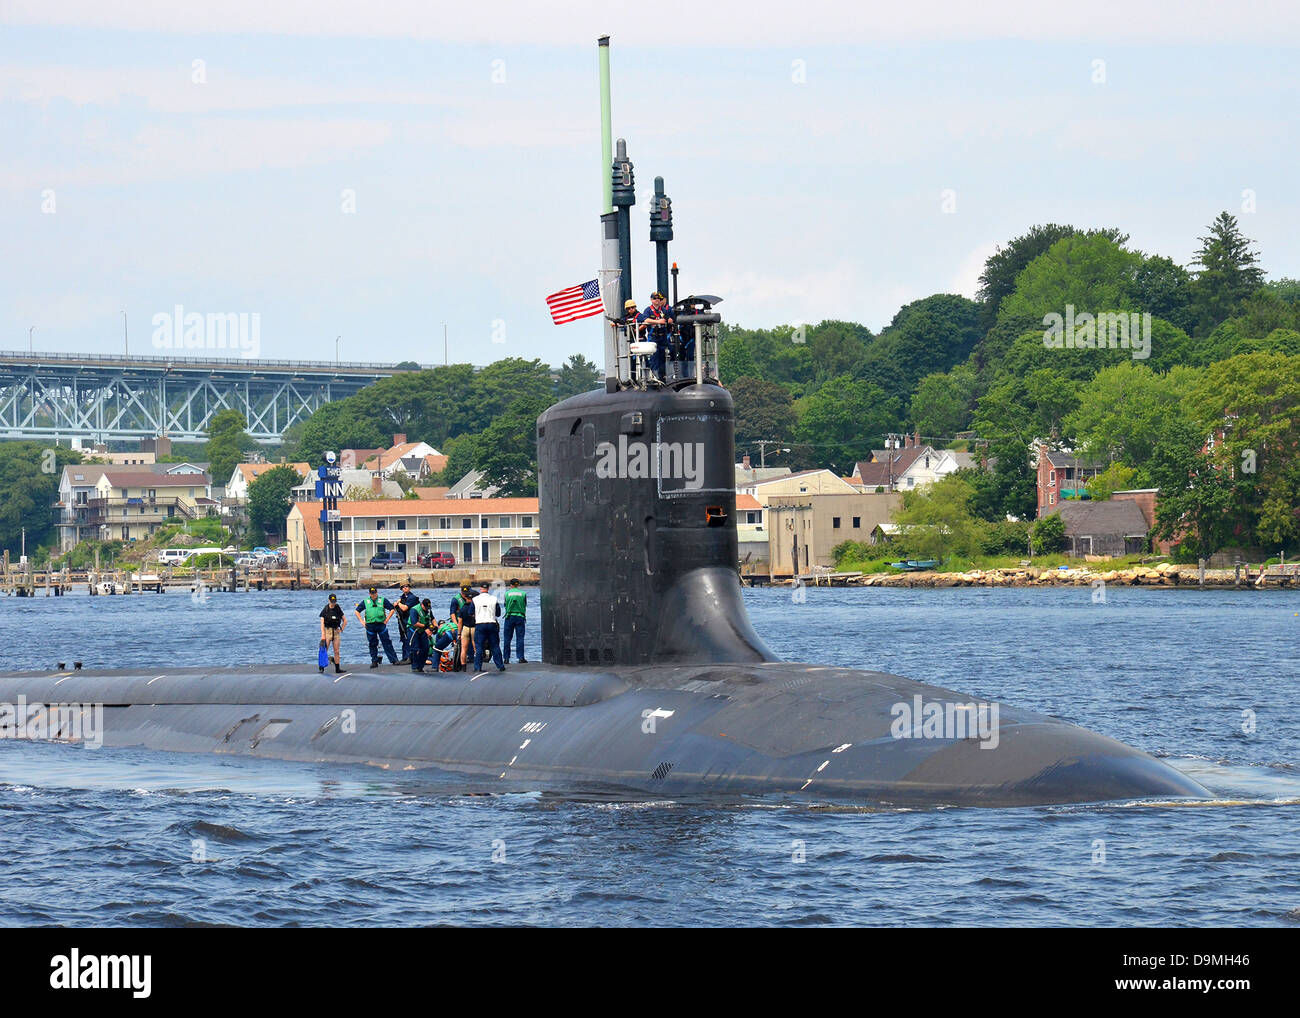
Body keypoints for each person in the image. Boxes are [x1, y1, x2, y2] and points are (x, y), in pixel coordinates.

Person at [354, 587, 399, 668]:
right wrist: (361, 621)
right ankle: (374, 661)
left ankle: (394, 660)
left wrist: (387, 620)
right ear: (369, 594)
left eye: (374, 593)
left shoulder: (382, 600)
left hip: (381, 624)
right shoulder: (365, 601)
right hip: (370, 625)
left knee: (387, 642)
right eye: (371, 593)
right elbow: (357, 611)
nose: (373, 595)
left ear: (377, 593)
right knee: (372, 644)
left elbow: (392, 609)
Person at [637, 291, 674, 379]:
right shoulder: (648, 310)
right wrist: (657, 321)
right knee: (654, 356)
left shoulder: (663, 310)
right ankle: (654, 375)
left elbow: (667, 318)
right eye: (655, 298)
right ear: (651, 300)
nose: (657, 300)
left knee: (662, 355)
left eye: (658, 299)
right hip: (653, 336)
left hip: (662, 335)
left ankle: (662, 376)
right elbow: (646, 320)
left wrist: (669, 320)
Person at [471, 583, 505, 673]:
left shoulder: (475, 599)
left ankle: (477, 667)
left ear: (480, 589)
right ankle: (500, 666)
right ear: (488, 589)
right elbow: (498, 613)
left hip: (480, 624)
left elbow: (470, 612)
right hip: (491, 624)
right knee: (495, 646)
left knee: (479, 647)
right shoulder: (494, 599)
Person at [393, 581, 420, 665]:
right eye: (403, 587)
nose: (405, 588)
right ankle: (404, 657)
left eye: (407, 586)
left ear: (409, 587)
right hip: (402, 620)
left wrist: (398, 603)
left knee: (409, 638)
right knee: (404, 638)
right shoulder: (402, 597)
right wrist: (397, 603)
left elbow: (405, 608)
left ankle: (410, 657)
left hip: (410, 621)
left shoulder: (412, 598)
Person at [502, 578, 527, 664]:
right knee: (520, 638)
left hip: (509, 617)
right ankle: (521, 658)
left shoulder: (507, 594)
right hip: (520, 616)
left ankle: (506, 658)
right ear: (518, 585)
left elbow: (505, 604)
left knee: (507, 638)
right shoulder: (523, 593)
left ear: (511, 585)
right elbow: (525, 604)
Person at [319, 593, 346, 673]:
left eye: (334, 601)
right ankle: (321, 667)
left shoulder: (337, 608)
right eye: (332, 601)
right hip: (328, 631)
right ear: (329, 601)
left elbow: (345, 620)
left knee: (336, 651)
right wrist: (323, 634)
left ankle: (337, 668)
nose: (333, 603)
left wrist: (341, 629)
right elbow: (322, 622)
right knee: (324, 649)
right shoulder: (326, 609)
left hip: (336, 631)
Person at [449, 584, 474, 671]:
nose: (465, 595)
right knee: (462, 645)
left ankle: (471, 658)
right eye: (464, 593)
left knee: (471, 643)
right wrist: (456, 625)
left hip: (469, 624)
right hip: (460, 623)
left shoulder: (472, 598)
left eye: (466, 593)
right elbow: (452, 613)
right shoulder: (456, 599)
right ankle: (460, 662)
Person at [408, 597, 433, 673]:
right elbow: (414, 623)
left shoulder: (428, 610)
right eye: (425, 607)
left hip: (422, 631)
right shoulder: (414, 610)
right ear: (422, 604)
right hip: (414, 630)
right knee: (415, 649)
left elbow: (432, 618)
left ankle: (420, 666)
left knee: (426, 648)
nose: (427, 609)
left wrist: (434, 627)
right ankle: (414, 667)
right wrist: (426, 627)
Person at [456, 585, 477, 671]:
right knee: (476, 648)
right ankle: (477, 666)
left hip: (465, 628)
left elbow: (460, 622)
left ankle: (463, 667)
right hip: (473, 628)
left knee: (463, 649)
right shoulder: (474, 608)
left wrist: (459, 633)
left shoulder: (462, 609)